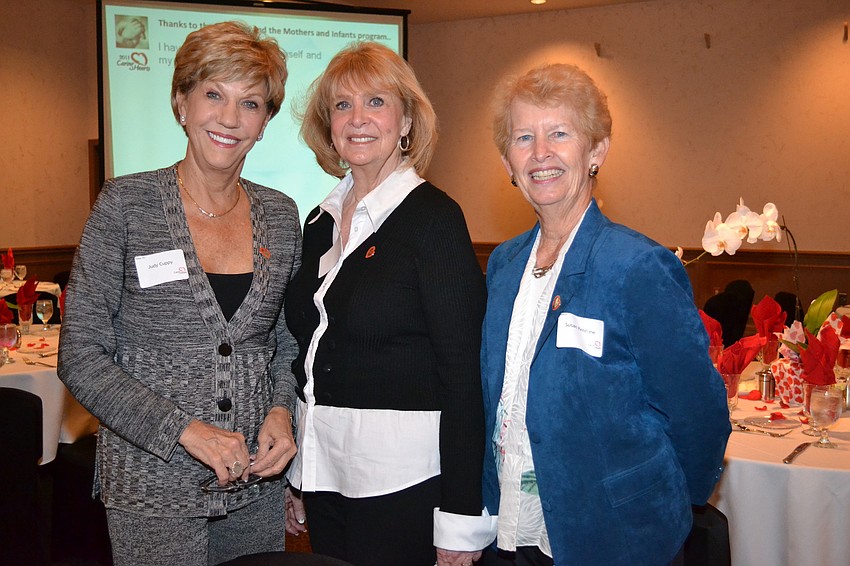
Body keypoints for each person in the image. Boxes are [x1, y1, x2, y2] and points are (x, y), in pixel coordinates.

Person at [58, 21, 300, 566]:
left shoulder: (282, 217)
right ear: (181, 103)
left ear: (265, 124)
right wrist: (185, 431)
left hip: (254, 489)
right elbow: (80, 356)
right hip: (152, 489)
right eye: (214, 94)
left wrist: (282, 412)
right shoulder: (125, 205)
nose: (230, 119)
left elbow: (286, 346)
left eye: (252, 103)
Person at [480, 63, 731, 566]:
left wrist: (659, 506)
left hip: (618, 537)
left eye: (559, 134)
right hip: (512, 523)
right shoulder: (504, 264)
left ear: (596, 151)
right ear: (508, 161)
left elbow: (699, 416)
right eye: (523, 137)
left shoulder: (637, 267)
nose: (540, 153)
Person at [283, 42, 495, 566]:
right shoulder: (319, 223)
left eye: (376, 102)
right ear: (326, 124)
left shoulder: (434, 221)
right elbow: (307, 356)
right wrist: (299, 474)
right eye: (341, 105)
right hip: (324, 472)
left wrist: (461, 517)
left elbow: (464, 376)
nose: (357, 119)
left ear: (405, 122)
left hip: (403, 484)